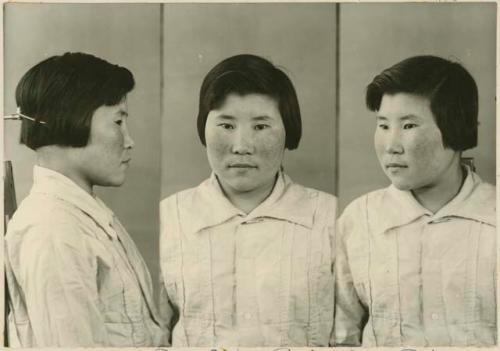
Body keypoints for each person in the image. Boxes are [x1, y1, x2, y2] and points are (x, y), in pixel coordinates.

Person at [159, 54, 336, 346]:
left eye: (261, 126)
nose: (241, 147)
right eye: (226, 126)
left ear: (288, 129)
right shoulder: (170, 218)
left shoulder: (331, 218)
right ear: (203, 127)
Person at [4, 52, 166, 347]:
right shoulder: (54, 229)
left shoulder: (80, 215)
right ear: (71, 120)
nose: (129, 141)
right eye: (118, 122)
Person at [335, 55, 496, 346]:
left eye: (408, 126)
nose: (391, 146)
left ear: (455, 128)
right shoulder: (359, 219)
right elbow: (341, 336)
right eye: (383, 126)